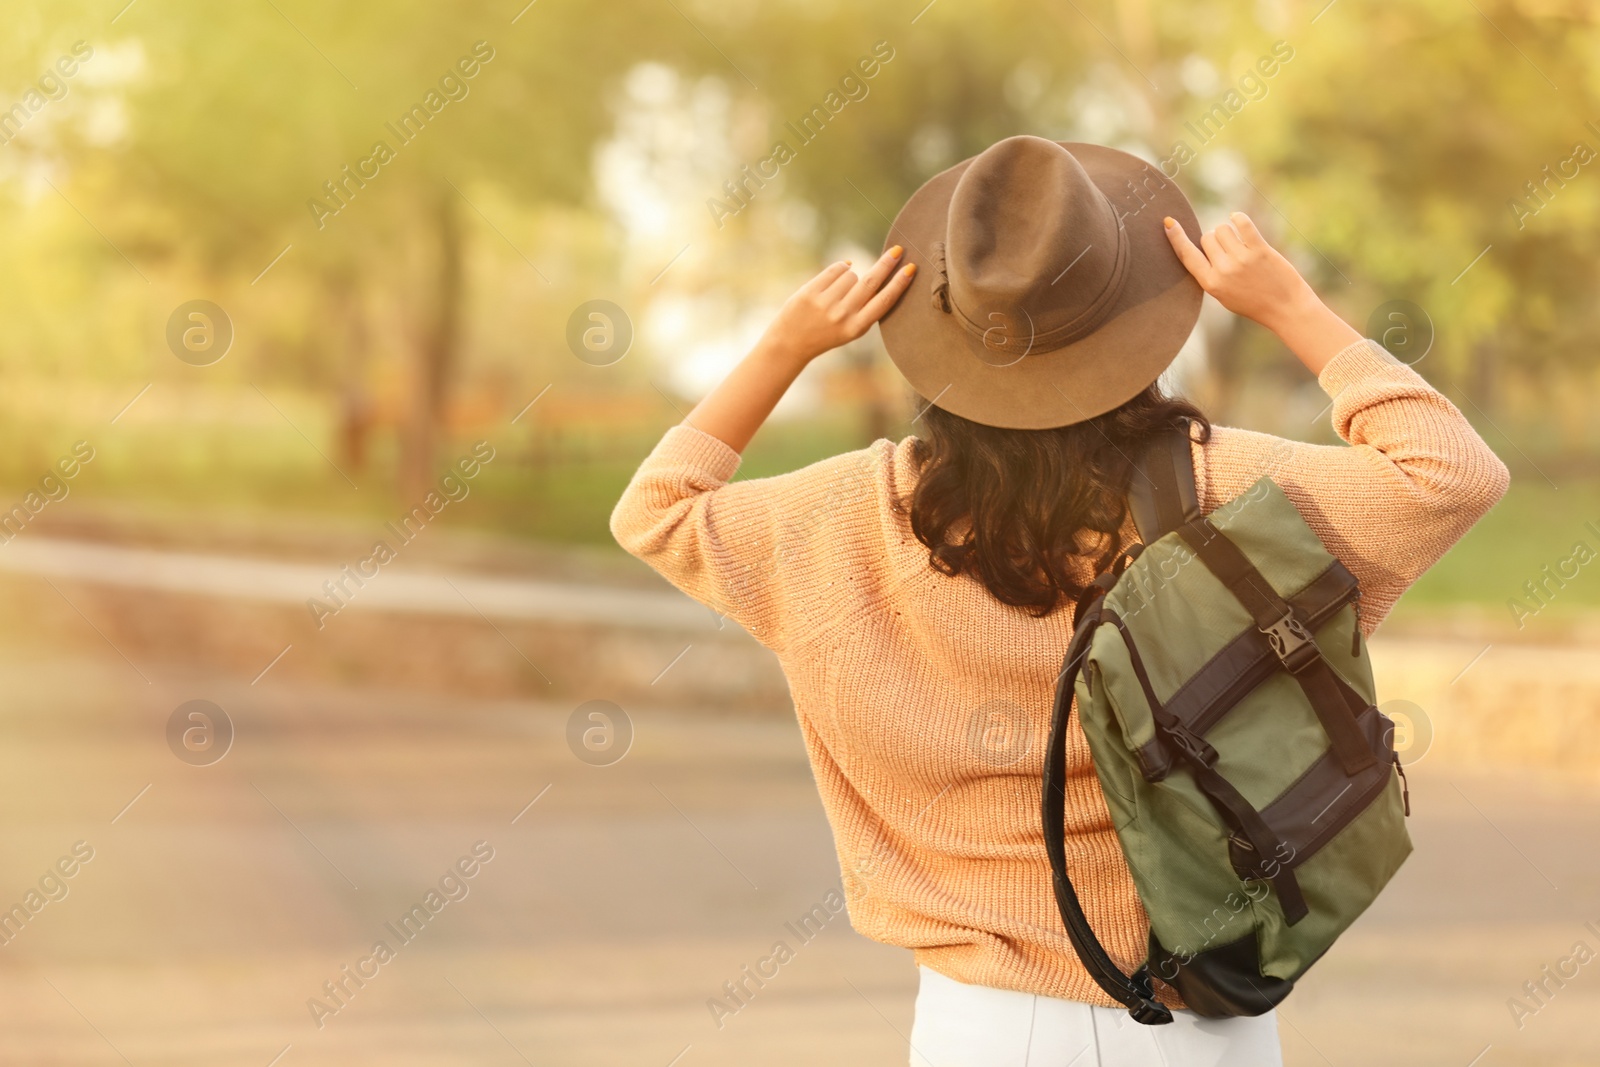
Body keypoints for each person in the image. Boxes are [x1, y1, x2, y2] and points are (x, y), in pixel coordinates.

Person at [609, 136, 1509, 1066]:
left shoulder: (842, 520)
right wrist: (1293, 308)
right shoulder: (1226, 493)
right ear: (1130, 318)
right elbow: (1451, 473)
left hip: (977, 1028)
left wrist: (784, 347)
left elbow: (657, 509)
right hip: (1203, 1009)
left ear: (943, 333)